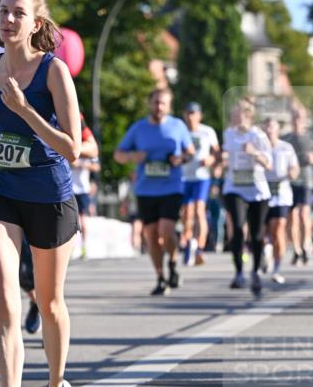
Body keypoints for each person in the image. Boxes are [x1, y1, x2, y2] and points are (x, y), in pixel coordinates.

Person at [0, 0, 81, 387]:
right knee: (4, 297)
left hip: (49, 195)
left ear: (36, 23)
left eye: (18, 12)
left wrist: (25, 110)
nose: (8, 19)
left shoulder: (53, 71)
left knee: (49, 302)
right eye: (3, 11)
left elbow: (73, 148)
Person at [114, 87, 194, 295]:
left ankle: (173, 262)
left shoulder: (178, 126)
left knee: (166, 231)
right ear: (150, 104)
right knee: (150, 235)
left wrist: (181, 159)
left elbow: (190, 152)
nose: (159, 107)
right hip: (146, 190)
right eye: (156, 102)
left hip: (172, 187)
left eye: (163, 103)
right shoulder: (138, 128)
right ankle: (160, 277)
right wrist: (132, 157)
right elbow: (118, 154)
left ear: (169, 105)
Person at [221, 98, 272, 294]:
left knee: (257, 233)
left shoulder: (258, 135)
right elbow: (225, 154)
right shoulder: (229, 134)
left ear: (248, 115)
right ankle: (239, 273)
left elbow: (268, 164)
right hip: (234, 187)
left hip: (257, 190)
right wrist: (222, 159)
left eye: (238, 113)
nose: (234, 117)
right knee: (237, 227)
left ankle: (256, 271)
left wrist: (254, 153)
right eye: (233, 113)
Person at [282, 107, 313, 265]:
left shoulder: (312, 137)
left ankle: (306, 244)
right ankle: (296, 249)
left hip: (307, 180)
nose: (297, 120)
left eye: (300, 116)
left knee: (304, 214)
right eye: (294, 116)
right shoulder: (285, 138)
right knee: (291, 217)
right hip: (289, 181)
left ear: (305, 119)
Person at [180, 101, 220, 266]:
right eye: (188, 113)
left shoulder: (207, 131)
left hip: (201, 177)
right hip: (184, 177)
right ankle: (189, 242)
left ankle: (200, 249)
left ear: (199, 116)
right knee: (186, 213)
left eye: (193, 113)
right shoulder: (181, 131)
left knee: (199, 211)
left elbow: (217, 153)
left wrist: (211, 160)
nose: (190, 117)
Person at [263, 117, 299, 284]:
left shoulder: (286, 147)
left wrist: (293, 172)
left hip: (282, 195)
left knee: (278, 230)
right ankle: (266, 253)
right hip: (262, 194)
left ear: (277, 130)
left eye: (272, 127)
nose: (269, 130)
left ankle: (277, 268)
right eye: (266, 127)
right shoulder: (258, 148)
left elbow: (295, 167)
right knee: (263, 233)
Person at [71, 112, 99, 259]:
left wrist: (81, 164)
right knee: (70, 219)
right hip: (68, 186)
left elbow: (96, 166)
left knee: (82, 218)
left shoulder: (86, 145)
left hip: (82, 187)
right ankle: (70, 247)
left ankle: (83, 246)